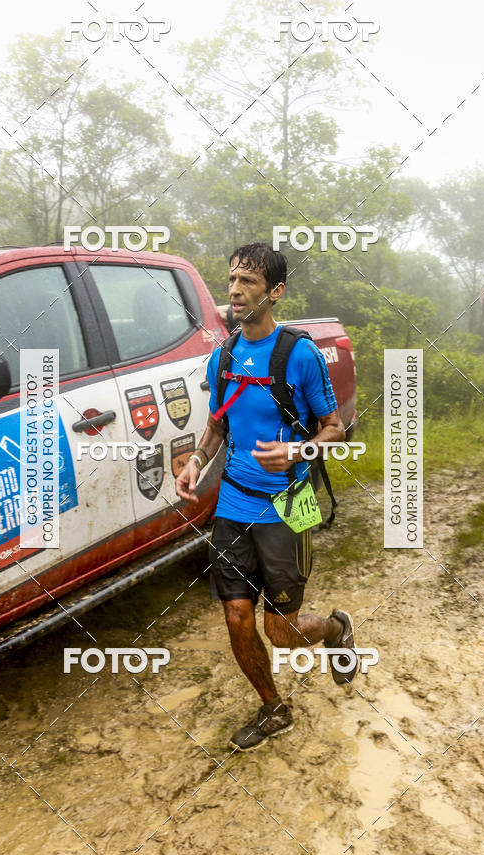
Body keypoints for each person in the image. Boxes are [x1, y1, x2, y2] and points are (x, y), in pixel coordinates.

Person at [175, 242, 357, 751]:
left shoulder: (299, 355)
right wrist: (195, 462)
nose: (235, 290)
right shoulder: (224, 356)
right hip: (233, 503)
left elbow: (333, 428)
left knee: (281, 632)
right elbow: (217, 425)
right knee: (236, 616)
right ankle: (273, 708)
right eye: (232, 279)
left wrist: (296, 452)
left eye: (248, 281)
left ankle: (335, 627)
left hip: (288, 506)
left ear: (275, 291)